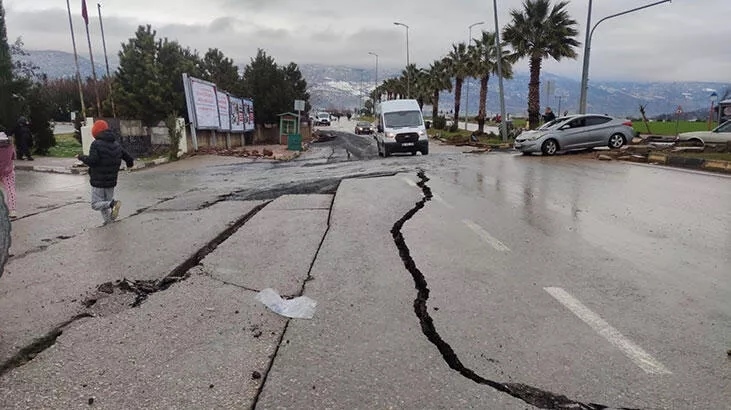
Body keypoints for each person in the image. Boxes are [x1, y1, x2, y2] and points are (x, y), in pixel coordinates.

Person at [77, 120, 134, 226]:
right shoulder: (116, 144)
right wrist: (129, 165)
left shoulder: (96, 144)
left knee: (96, 204)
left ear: (96, 132)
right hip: (111, 181)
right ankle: (109, 222)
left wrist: (81, 157)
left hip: (98, 180)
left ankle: (113, 204)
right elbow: (128, 158)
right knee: (105, 204)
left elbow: (92, 161)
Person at [0, 131, 17, 219]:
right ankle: (12, 210)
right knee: (10, 190)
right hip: (8, 171)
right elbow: (14, 157)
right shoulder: (10, 147)